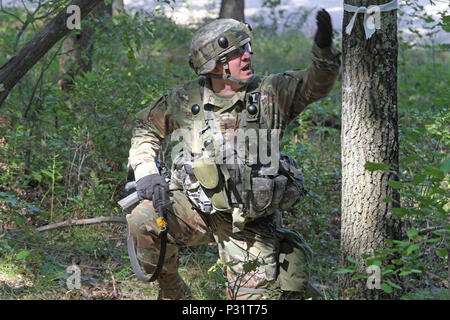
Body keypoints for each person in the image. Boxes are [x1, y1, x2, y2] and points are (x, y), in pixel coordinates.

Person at [126, 9, 341, 300]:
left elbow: (317, 83)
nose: (247, 56)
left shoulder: (271, 93)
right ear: (212, 65)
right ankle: (171, 289)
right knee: (144, 219)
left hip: (247, 221)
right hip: (194, 209)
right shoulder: (184, 99)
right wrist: (146, 170)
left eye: (248, 48)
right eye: (237, 53)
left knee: (252, 300)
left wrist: (323, 49)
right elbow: (145, 128)